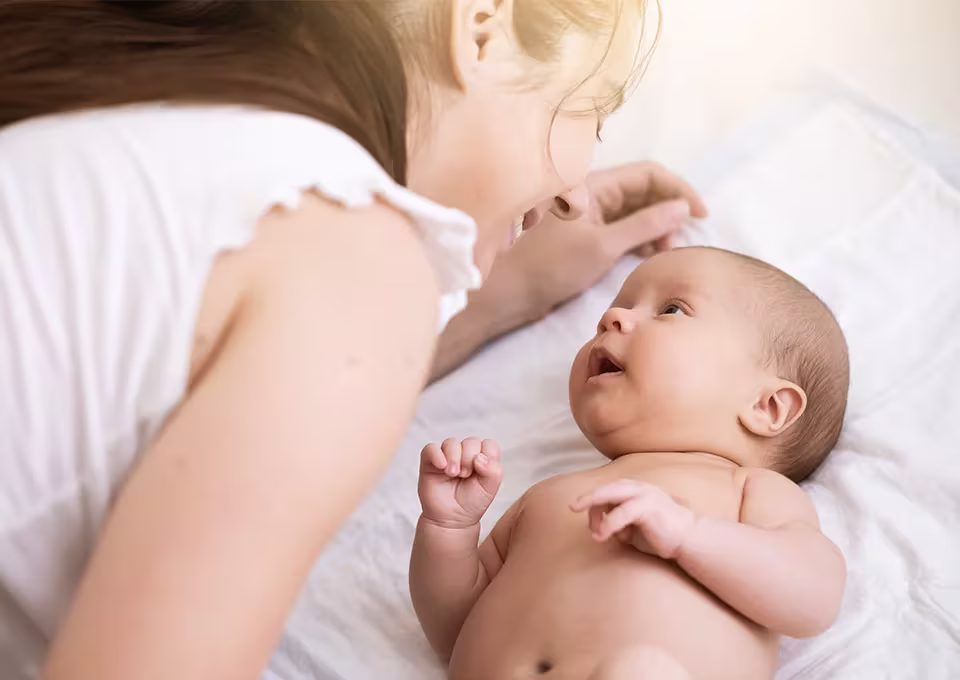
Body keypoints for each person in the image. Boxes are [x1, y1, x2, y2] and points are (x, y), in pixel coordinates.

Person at [0, 1, 705, 679]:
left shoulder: (151, 102)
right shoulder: (357, 269)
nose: (574, 196)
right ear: (483, 28)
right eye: (596, 112)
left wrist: (502, 295)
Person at [410, 247, 850, 680]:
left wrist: (687, 536)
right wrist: (449, 530)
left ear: (767, 407)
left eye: (672, 310)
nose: (610, 319)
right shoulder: (549, 497)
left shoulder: (749, 490)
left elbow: (813, 597)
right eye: (617, 306)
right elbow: (454, 631)